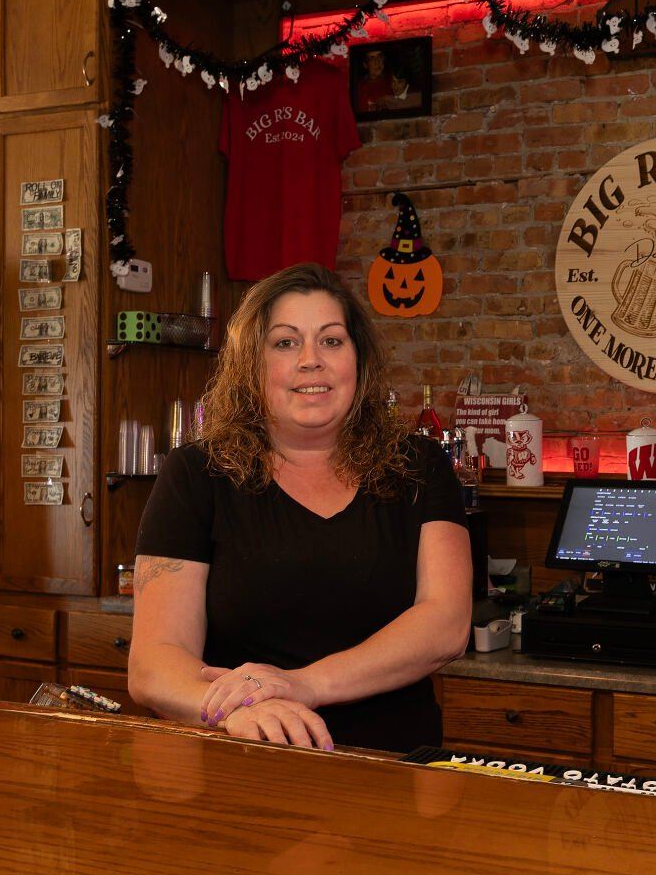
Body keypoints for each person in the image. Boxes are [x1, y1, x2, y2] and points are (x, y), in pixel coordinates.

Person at [128, 263, 471, 752]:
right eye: (285, 343)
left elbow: (445, 625)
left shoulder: (418, 466)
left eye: (331, 341)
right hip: (247, 759)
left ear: (359, 360)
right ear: (253, 364)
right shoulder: (196, 475)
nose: (312, 360)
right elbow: (154, 664)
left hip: (392, 767)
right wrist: (247, 710)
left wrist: (305, 685)